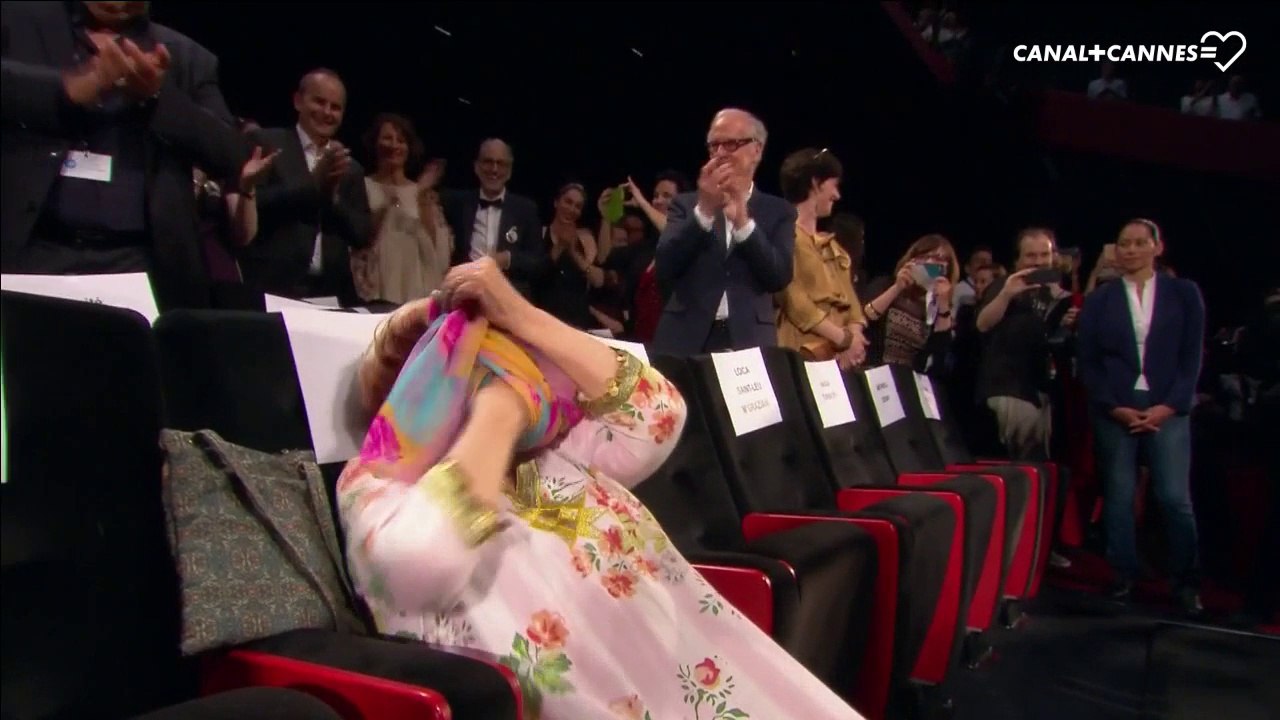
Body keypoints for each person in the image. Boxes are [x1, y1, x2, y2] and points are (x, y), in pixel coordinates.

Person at [338, 257, 864, 719]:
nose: (496, 366)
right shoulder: (382, 481)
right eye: (456, 363)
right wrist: (503, 406)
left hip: (686, 679)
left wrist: (520, 316)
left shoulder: (554, 453)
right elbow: (421, 564)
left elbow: (660, 413)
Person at [1, 0, 247, 310]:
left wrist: (157, 98)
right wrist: (69, 89)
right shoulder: (18, 20)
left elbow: (234, 154)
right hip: (29, 249)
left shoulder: (187, 57)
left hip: (136, 264)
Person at [1077, 219, 1206, 616]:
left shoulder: (1184, 293)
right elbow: (1089, 361)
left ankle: (1185, 583)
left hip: (1168, 406)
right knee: (1118, 495)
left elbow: (1192, 356)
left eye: (1138, 243)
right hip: (1115, 406)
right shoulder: (1100, 299)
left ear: (1157, 247)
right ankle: (1123, 575)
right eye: (1123, 244)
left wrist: (1169, 406)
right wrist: (1113, 406)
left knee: (1173, 497)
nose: (1130, 250)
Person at [651, 109, 797, 356]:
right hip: (684, 339)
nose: (719, 153)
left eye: (730, 144)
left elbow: (778, 277)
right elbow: (665, 266)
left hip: (748, 341)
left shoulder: (779, 211)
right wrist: (705, 211)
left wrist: (743, 222)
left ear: (757, 150)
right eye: (713, 146)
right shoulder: (686, 205)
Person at [241, 68, 372, 304]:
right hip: (272, 285)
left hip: (330, 291)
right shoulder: (266, 143)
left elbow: (362, 234)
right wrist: (313, 186)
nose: (327, 112)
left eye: (335, 107)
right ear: (298, 101)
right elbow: (252, 203)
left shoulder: (350, 167)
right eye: (319, 102)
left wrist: (332, 199)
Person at [775, 148, 868, 368]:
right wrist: (842, 339)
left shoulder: (835, 249)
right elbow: (795, 302)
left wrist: (853, 339)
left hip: (839, 362)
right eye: (834, 185)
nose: (837, 195)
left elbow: (852, 305)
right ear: (816, 183)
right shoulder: (782, 238)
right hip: (799, 355)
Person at [441, 138, 546, 300]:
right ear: (476, 167)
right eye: (488, 162)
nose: (494, 169)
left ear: (509, 170)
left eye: (501, 163)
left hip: (509, 298)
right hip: (465, 297)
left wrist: (508, 259)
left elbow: (538, 262)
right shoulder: (458, 203)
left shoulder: (526, 209)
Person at [861, 234, 959, 373]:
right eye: (924, 256)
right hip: (874, 371)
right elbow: (865, 317)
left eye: (938, 259)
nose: (930, 263)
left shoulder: (936, 307)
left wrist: (943, 304)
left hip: (909, 381)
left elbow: (940, 355)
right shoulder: (884, 284)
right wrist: (897, 287)